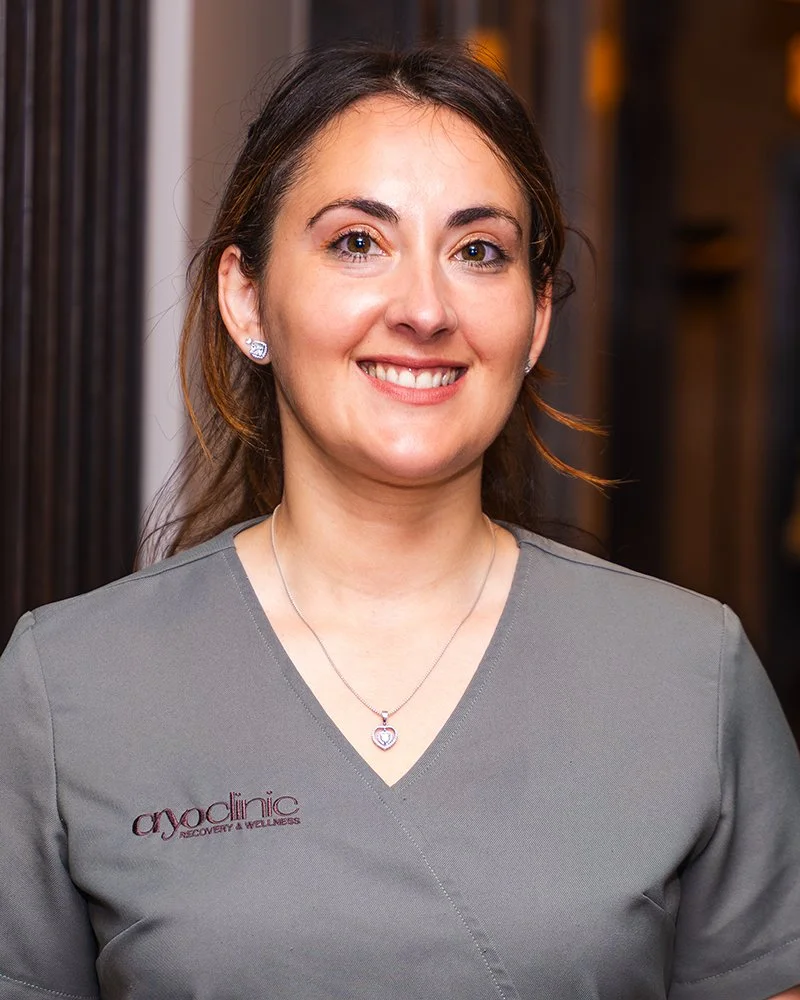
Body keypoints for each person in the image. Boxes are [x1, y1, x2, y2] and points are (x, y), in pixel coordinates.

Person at [0, 44, 798, 1000]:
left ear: (536, 317)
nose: (424, 309)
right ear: (246, 299)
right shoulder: (69, 687)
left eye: (478, 252)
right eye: (356, 242)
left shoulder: (689, 674)